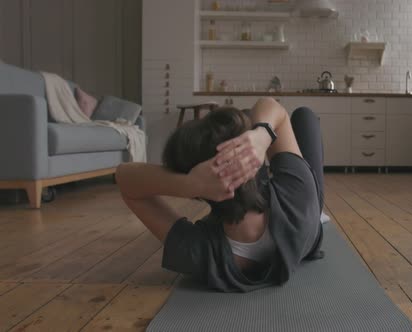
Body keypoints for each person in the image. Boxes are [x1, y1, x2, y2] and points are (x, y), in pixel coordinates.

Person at [116, 97, 325, 292]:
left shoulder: (199, 253)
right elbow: (274, 107)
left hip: (288, 215)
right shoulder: (299, 196)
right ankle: (253, 132)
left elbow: (124, 178)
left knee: (249, 119)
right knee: (304, 116)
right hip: (307, 219)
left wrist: (189, 184)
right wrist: (261, 135)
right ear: (254, 163)